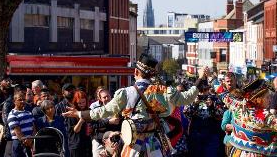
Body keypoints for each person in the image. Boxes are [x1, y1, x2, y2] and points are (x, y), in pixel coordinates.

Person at [63, 53, 206, 157]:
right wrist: (199, 78)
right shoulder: (164, 91)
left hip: (133, 144)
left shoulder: (125, 93)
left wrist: (79, 113)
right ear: (152, 75)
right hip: (154, 143)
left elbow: (104, 111)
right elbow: (187, 98)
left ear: (136, 72)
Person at [184, 80, 225, 157]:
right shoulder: (191, 99)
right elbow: (186, 115)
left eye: (205, 90)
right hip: (196, 133)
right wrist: (194, 105)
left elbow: (220, 115)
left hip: (211, 134)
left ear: (208, 89)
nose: (202, 93)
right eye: (200, 90)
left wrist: (212, 107)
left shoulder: (215, 99)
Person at [90, 87, 121, 157]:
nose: (107, 98)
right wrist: (108, 122)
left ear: (111, 96)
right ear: (100, 99)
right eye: (104, 97)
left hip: (113, 142)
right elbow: (94, 125)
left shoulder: (118, 108)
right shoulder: (97, 110)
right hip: (99, 141)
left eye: (108, 96)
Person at [7, 91, 35, 157]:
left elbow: (34, 128)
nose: (22, 101)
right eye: (20, 100)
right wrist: (27, 141)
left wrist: (31, 140)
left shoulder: (29, 113)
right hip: (19, 144)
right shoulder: (12, 115)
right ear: (14, 101)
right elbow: (18, 133)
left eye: (24, 99)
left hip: (30, 143)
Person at [69, 91, 92, 157]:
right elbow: (75, 130)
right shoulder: (73, 112)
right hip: (76, 144)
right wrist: (81, 120)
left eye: (83, 102)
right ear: (75, 103)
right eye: (79, 103)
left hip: (87, 143)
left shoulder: (89, 110)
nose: (82, 105)